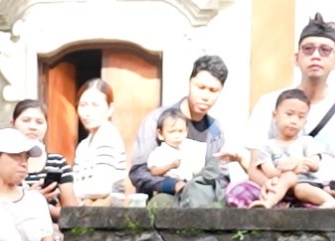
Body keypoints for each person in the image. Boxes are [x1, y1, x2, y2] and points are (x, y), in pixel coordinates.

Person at [228, 14, 335, 209]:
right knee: (238, 190)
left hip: (330, 196)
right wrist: (272, 185)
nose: (316, 55)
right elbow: (255, 168)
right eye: (308, 49)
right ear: (297, 58)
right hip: (278, 192)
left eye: (325, 50)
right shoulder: (269, 103)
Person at [128, 56, 234, 206]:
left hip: (200, 204)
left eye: (213, 90)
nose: (205, 96)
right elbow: (139, 172)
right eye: (201, 87)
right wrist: (173, 185)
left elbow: (221, 178)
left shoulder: (215, 131)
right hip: (160, 204)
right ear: (190, 83)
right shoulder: (157, 119)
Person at [246, 90, 335, 208]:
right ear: (275, 116)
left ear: (305, 121)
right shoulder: (266, 146)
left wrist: (298, 162)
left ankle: (331, 202)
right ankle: (266, 203)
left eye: (300, 117)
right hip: (280, 183)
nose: (294, 121)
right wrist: (288, 170)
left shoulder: (307, 142)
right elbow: (269, 172)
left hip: (306, 183)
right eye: (289, 114)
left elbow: (315, 165)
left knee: (300, 188)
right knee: (289, 177)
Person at [4, 99, 75, 216]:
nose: (33, 127)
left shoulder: (57, 162)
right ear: (13, 123)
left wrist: (46, 208)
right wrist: (30, 199)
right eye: (26, 120)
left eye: (39, 122)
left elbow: (72, 213)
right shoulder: (2, 160)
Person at [72, 79, 127, 204]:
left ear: (110, 108)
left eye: (95, 105)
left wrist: (68, 191)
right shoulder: (83, 145)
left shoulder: (108, 135)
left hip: (107, 213)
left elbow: (102, 186)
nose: (87, 112)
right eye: (83, 105)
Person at [146, 111, 197, 196]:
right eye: (172, 132)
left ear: (186, 131)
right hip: (167, 189)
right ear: (160, 134)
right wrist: (171, 166)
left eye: (180, 131)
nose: (177, 135)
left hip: (186, 186)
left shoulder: (186, 150)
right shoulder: (160, 152)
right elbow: (154, 171)